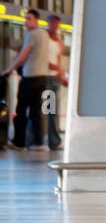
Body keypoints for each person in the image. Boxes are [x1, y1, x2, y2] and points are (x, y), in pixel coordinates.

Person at [1, 9, 53, 150]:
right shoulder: (44, 34)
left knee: (21, 110)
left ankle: (19, 142)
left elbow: (23, 56)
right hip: (42, 77)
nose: (26, 21)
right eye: (25, 18)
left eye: (29, 18)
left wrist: (8, 70)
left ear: (36, 20)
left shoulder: (31, 35)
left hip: (30, 77)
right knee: (36, 112)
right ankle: (38, 143)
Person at [43, 14, 65, 151]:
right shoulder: (44, 38)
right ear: (48, 23)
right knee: (43, 110)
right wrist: (53, 67)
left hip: (54, 78)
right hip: (44, 77)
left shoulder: (59, 40)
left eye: (57, 23)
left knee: (53, 110)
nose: (55, 26)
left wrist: (60, 73)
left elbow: (58, 58)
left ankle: (54, 141)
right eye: (52, 23)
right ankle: (35, 140)